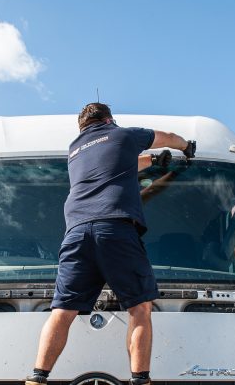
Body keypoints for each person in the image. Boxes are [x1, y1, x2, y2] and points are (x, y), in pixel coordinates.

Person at [26, 103, 195, 385]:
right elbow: (167, 137)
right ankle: (140, 380)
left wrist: (153, 161)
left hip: (76, 233)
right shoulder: (124, 135)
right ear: (110, 120)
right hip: (114, 228)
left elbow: (121, 164)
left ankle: (37, 377)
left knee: (62, 311)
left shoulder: (75, 151)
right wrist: (186, 147)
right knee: (140, 308)